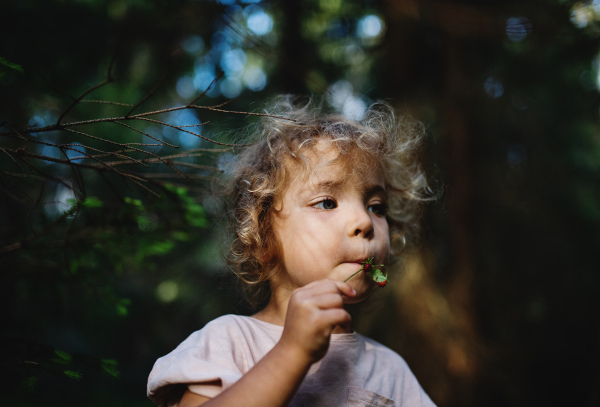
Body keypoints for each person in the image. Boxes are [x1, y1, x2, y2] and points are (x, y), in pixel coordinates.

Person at [147, 96, 436, 407]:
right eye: (327, 202)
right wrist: (292, 352)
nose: (364, 221)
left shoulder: (391, 370)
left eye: (376, 207)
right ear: (264, 238)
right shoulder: (229, 342)